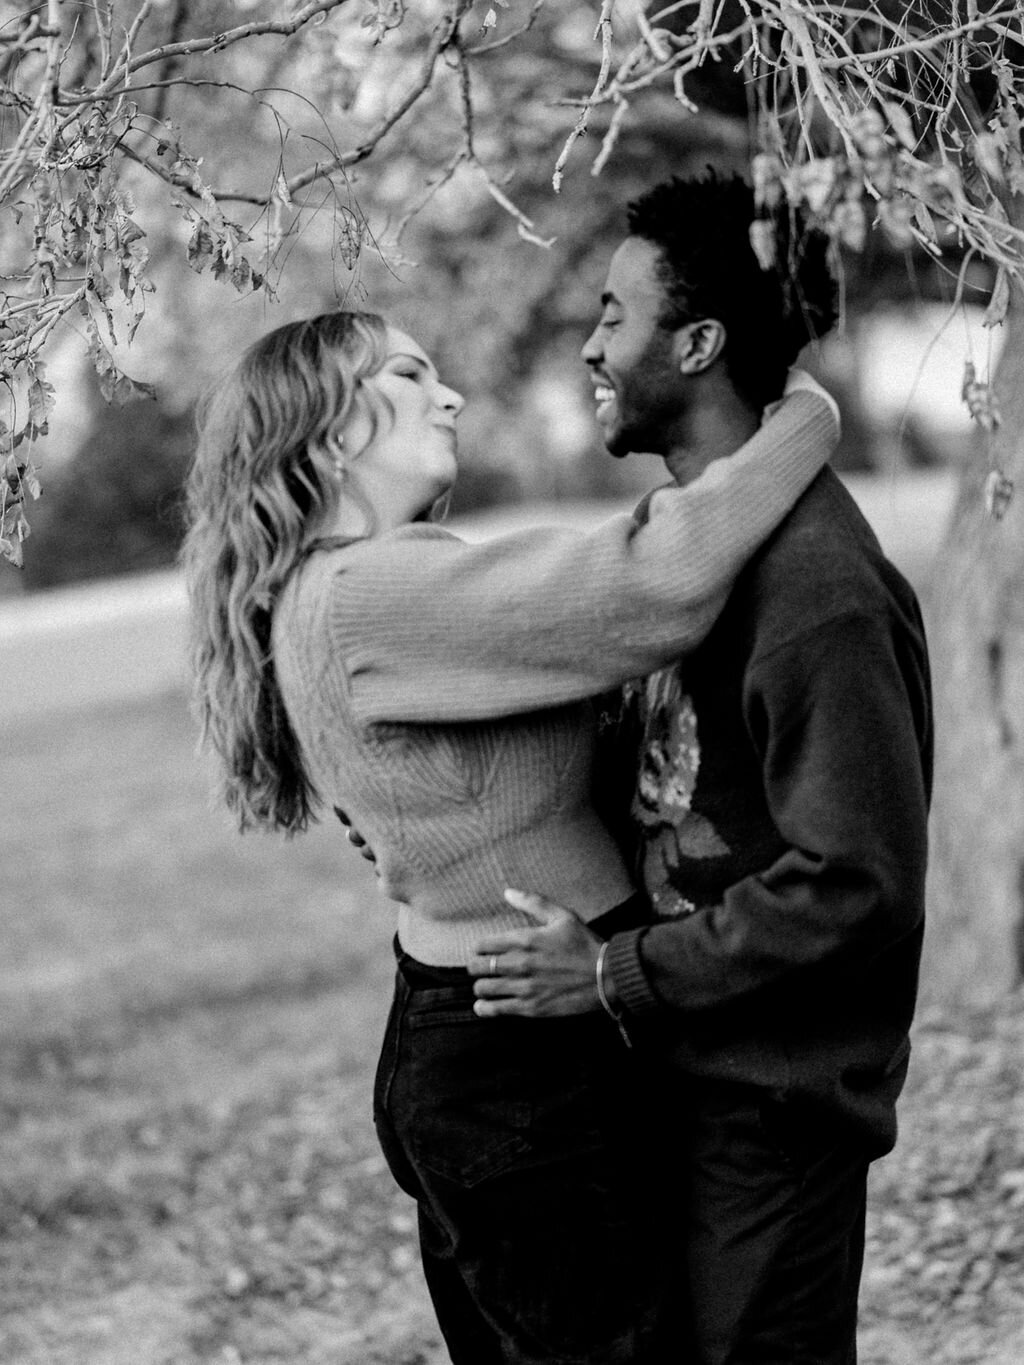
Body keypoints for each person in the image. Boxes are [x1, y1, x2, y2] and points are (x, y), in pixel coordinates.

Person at [181, 305, 837, 1364]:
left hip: (497, 1049)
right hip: (518, 1075)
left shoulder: (345, 589)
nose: (447, 394)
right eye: (406, 374)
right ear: (326, 428)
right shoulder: (367, 595)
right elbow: (647, 582)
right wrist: (803, 416)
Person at [470, 172, 932, 1364]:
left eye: (614, 318)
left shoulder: (817, 592)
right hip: (673, 1086)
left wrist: (615, 974)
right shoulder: (691, 562)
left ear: (701, 340)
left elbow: (855, 883)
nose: (589, 346)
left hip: (773, 1116)